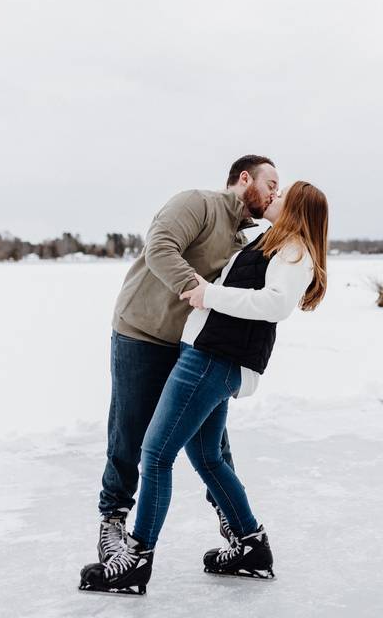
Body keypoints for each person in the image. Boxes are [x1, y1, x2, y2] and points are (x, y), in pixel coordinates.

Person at [80, 181, 329, 594]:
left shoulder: (293, 250)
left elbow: (275, 305)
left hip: (212, 359)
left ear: (297, 209)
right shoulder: (272, 242)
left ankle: (136, 561)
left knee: (156, 454)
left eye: (282, 195)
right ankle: (251, 544)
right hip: (207, 355)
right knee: (208, 456)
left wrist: (208, 294)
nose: (274, 197)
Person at [95, 155, 279, 564]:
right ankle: (112, 521)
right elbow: (159, 248)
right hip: (141, 332)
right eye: (271, 184)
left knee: (213, 444)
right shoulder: (197, 203)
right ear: (244, 177)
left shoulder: (247, 240)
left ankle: (233, 522)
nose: (274, 193)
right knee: (129, 433)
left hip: (192, 348)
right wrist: (198, 289)